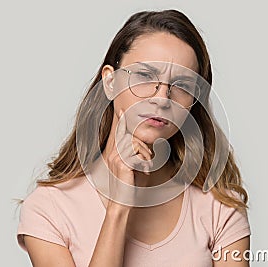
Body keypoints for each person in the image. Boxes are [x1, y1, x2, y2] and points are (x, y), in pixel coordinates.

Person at [16, 9, 251, 267]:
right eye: (145, 76)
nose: (162, 98)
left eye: (182, 85)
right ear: (110, 81)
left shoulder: (219, 207)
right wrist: (119, 207)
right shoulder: (49, 208)